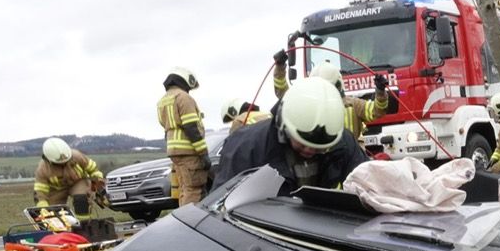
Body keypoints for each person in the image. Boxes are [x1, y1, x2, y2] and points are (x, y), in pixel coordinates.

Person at [215, 76, 369, 196]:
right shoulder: (245, 149)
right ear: (283, 126)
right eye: (302, 143)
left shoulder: (343, 143)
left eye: (319, 148)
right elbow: (220, 210)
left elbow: (367, 186)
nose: (309, 150)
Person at [156, 66, 208, 206]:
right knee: (193, 190)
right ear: (185, 81)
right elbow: (191, 127)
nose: (189, 90)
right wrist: (203, 153)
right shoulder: (184, 98)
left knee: (184, 189)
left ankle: (183, 220)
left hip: (174, 151)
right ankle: (190, 222)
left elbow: (164, 124)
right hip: (188, 151)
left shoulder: (163, 100)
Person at [33, 137, 105, 215]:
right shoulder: (43, 169)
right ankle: (62, 225)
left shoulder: (77, 156)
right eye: (60, 164)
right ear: (49, 160)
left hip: (77, 182)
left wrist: (97, 184)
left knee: (81, 199)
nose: (64, 164)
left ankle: (84, 223)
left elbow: (93, 169)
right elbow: (40, 190)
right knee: (53, 212)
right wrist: (43, 205)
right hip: (57, 189)